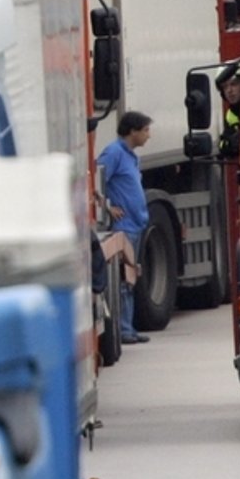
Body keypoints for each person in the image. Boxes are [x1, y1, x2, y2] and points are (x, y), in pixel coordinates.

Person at [98, 111, 151, 346]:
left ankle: (128, 327)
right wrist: (107, 207)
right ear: (133, 131)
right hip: (124, 226)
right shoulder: (114, 153)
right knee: (123, 280)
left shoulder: (131, 156)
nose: (148, 135)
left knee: (131, 277)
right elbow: (97, 180)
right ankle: (125, 329)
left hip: (136, 224)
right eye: (146, 130)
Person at [216, 66, 240, 157]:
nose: (229, 90)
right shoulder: (231, 115)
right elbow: (223, 145)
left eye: (234, 84)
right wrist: (230, 143)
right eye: (225, 87)